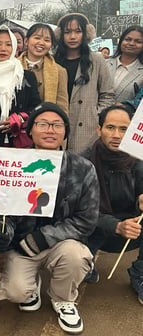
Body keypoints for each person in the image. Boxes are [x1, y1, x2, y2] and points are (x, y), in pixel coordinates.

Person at [0, 102, 99, 335]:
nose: (50, 130)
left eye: (57, 125)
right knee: (16, 292)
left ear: (65, 132)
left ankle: (63, 298)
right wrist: (0, 232)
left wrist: (43, 238)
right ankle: (31, 286)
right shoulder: (14, 165)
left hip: (63, 245)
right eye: (42, 124)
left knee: (77, 256)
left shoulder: (83, 169)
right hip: (21, 247)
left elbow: (87, 219)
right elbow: (2, 210)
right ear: (30, 130)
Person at [83, 104, 143, 305]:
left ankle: (139, 273)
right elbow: (80, 212)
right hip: (93, 229)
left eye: (123, 129)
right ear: (99, 129)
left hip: (132, 228)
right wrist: (116, 225)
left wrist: (140, 200)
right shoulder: (83, 162)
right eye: (110, 128)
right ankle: (85, 262)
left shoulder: (138, 160)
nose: (116, 135)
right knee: (71, 227)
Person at [54, 13, 115, 153]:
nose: (73, 37)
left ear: (86, 33)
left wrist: (95, 115)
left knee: (82, 170)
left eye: (78, 31)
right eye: (67, 32)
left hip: (87, 129)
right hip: (57, 126)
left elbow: (108, 94)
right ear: (60, 34)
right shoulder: (53, 61)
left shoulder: (97, 60)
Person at [18, 23, 69, 115]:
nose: (41, 43)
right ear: (26, 41)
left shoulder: (59, 71)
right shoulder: (13, 67)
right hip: (15, 124)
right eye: (37, 38)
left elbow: (62, 107)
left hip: (45, 125)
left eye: (47, 40)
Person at [105, 25, 143, 103]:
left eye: (138, 41)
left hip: (127, 114)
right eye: (128, 39)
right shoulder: (104, 64)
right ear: (121, 41)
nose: (131, 43)